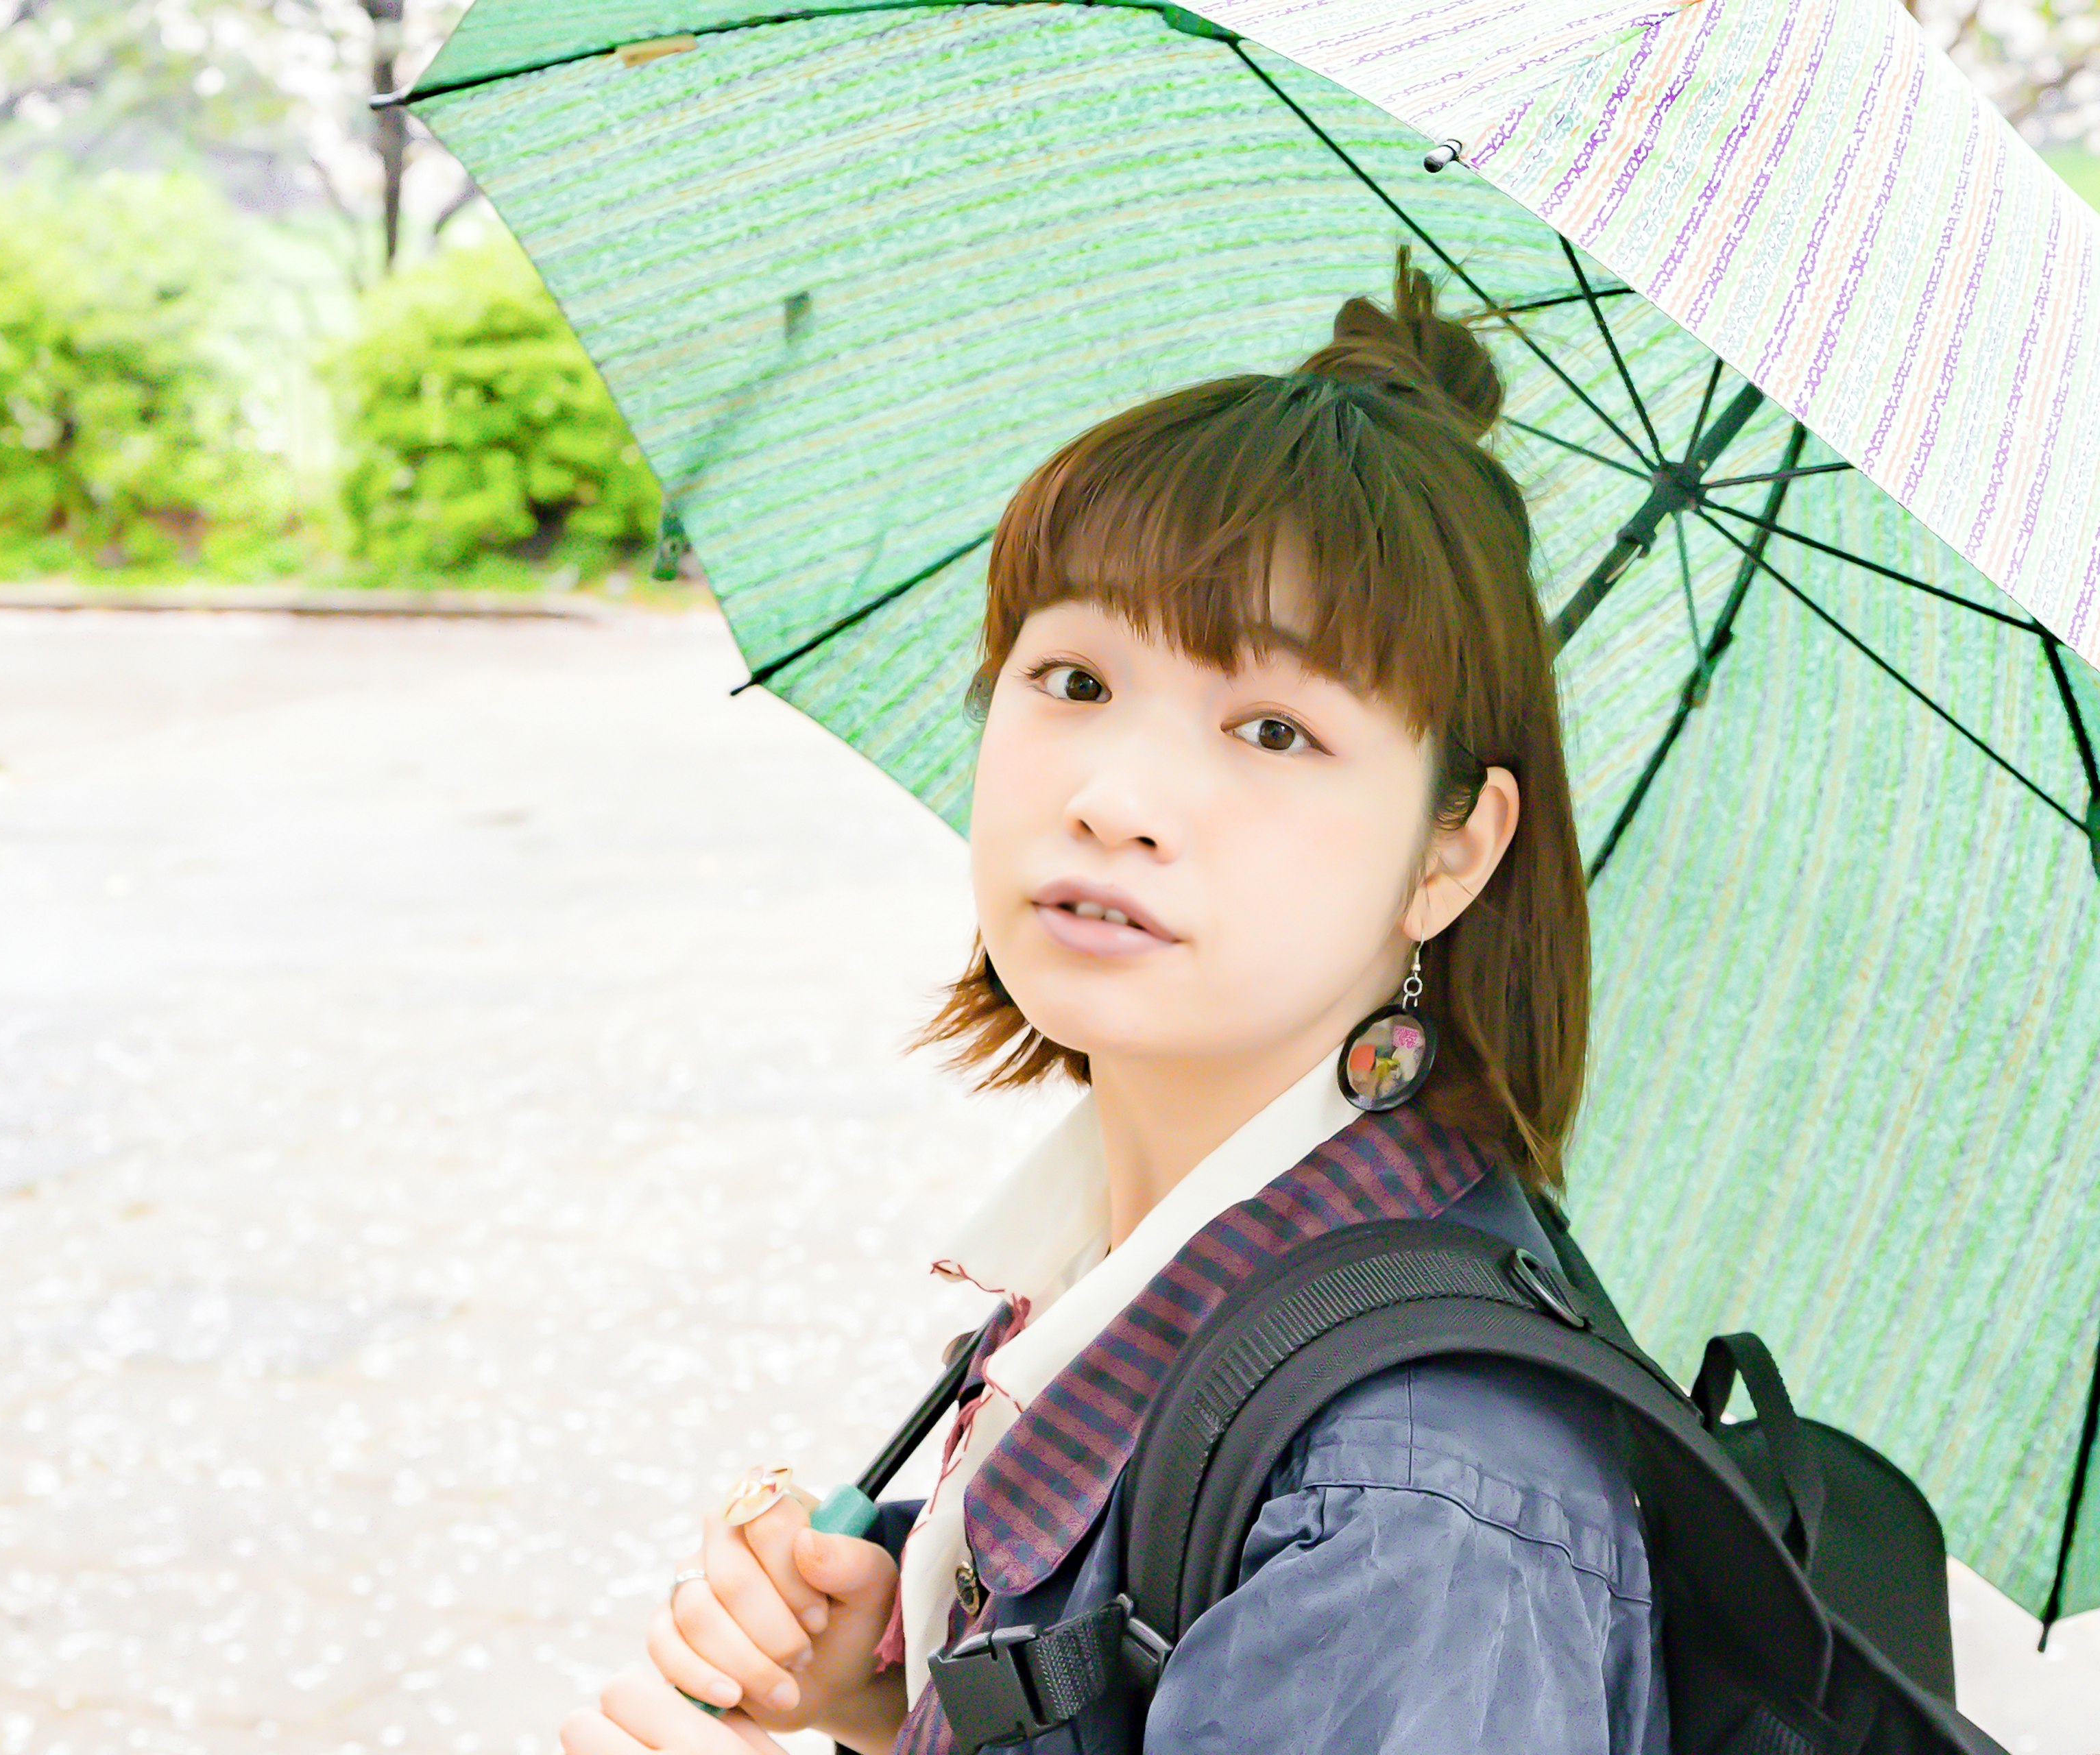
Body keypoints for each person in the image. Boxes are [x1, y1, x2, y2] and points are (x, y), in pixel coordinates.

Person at [557, 250, 1665, 1754]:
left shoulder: (1418, 1512)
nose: (1118, 797)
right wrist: (896, 1681)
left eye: (1273, 726)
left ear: (1451, 852)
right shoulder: (1147, 1256)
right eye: (1074, 678)